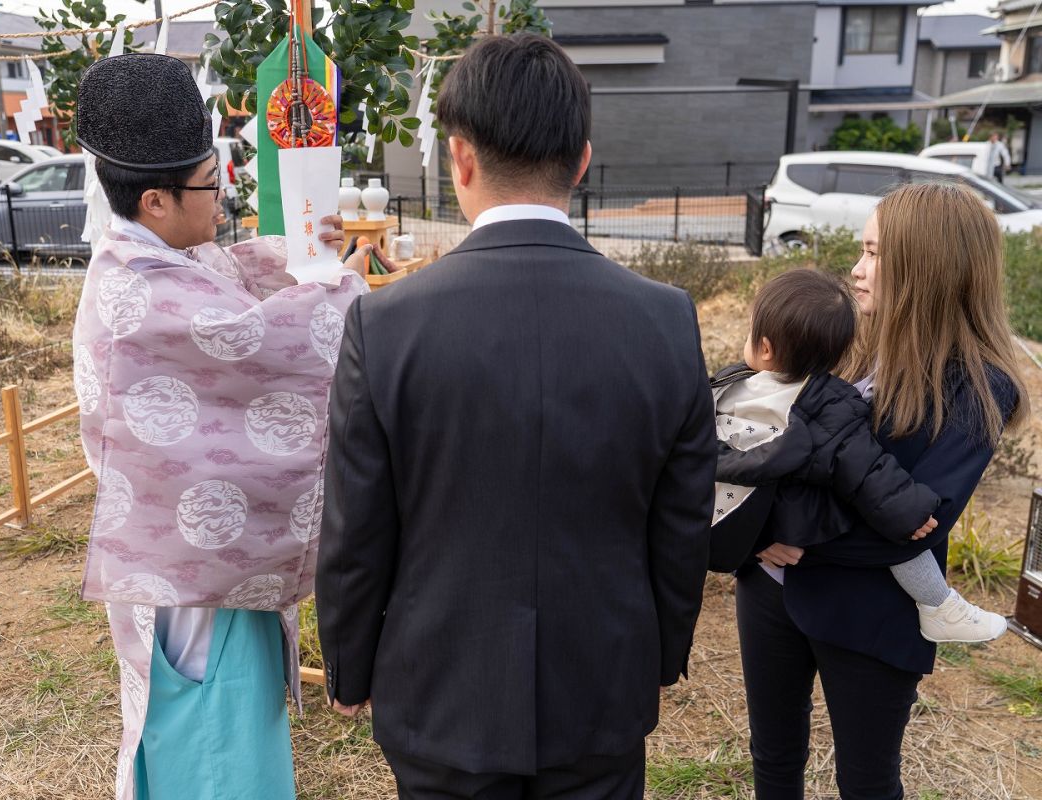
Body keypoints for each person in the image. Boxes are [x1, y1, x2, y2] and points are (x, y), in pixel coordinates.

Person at [315, 32, 716, 799]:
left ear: (459, 159)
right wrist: (660, 656)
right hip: (602, 685)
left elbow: (357, 530)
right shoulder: (665, 320)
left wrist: (350, 664)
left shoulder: (387, 324)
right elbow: (681, 523)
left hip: (440, 690)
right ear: (582, 160)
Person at [70, 53, 371, 800]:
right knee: (218, 759)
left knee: (215, 742)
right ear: (155, 200)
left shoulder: (149, 259)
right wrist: (345, 291)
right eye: (209, 182)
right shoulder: (139, 296)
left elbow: (233, 281)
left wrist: (319, 258)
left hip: (201, 561)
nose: (223, 190)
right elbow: (264, 341)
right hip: (197, 581)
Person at [734, 182, 1028, 799]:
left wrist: (792, 540)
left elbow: (921, 525)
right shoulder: (844, 344)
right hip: (770, 592)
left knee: (866, 781)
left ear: (929, 266)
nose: (857, 271)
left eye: (873, 254)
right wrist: (757, 538)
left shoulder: (977, 387)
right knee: (773, 758)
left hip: (872, 615)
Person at [711, 268, 1006, 643]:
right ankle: (939, 605)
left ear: (765, 348)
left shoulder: (729, 386)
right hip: (798, 530)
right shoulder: (827, 402)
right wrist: (908, 511)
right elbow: (866, 468)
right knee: (899, 540)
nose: (857, 268)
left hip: (728, 513)